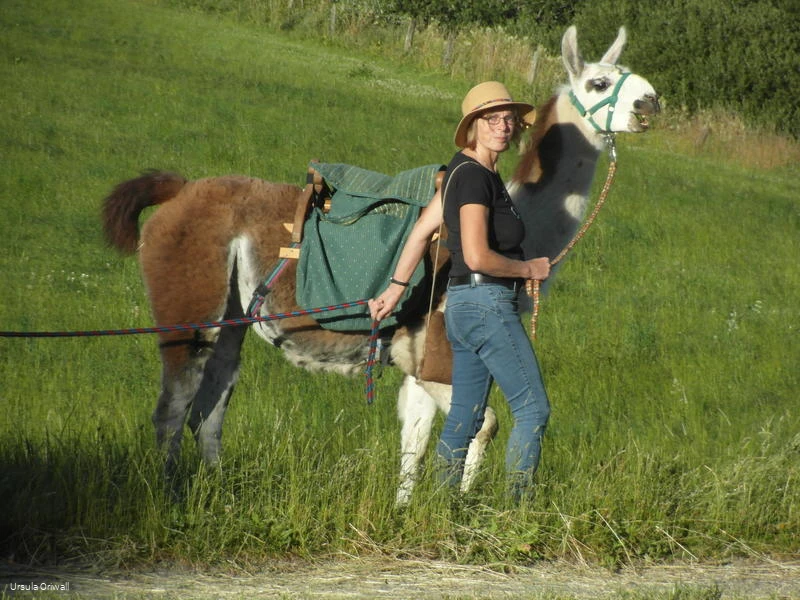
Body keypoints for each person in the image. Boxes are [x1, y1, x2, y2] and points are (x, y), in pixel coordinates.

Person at [369, 81, 551, 500]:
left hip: (463, 311)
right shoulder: (473, 180)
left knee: (464, 418)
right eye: (492, 119)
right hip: (487, 306)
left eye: (509, 119)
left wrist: (393, 291)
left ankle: (439, 513)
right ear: (473, 126)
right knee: (532, 410)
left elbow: (419, 234)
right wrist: (528, 268)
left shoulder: (463, 172)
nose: (504, 127)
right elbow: (477, 254)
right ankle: (515, 518)